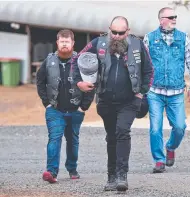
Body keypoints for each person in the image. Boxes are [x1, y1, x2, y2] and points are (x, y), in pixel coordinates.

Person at [72, 16, 154, 191]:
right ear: (109, 29)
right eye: (113, 32)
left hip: (130, 101)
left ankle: (122, 175)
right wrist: (79, 82)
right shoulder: (98, 43)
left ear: (128, 31)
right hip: (105, 100)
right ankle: (111, 176)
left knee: (122, 132)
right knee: (111, 137)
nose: (116, 36)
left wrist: (141, 92)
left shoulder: (138, 45)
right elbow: (76, 61)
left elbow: (149, 70)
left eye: (121, 33)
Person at [143, 7, 190, 173]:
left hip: (176, 93)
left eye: (175, 17)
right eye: (171, 17)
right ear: (161, 20)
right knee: (155, 128)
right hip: (154, 91)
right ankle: (159, 160)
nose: (174, 19)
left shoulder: (183, 38)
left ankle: (170, 147)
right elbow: (143, 65)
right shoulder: (149, 38)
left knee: (180, 126)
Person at [36, 29, 94, 183]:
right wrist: (47, 103)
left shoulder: (81, 61)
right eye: (62, 42)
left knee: (73, 140)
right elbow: (40, 82)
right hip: (55, 110)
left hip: (76, 110)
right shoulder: (49, 61)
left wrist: (84, 107)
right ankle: (51, 172)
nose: (64, 45)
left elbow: (91, 84)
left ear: (73, 43)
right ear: (57, 43)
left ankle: (72, 168)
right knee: (54, 138)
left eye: (67, 42)